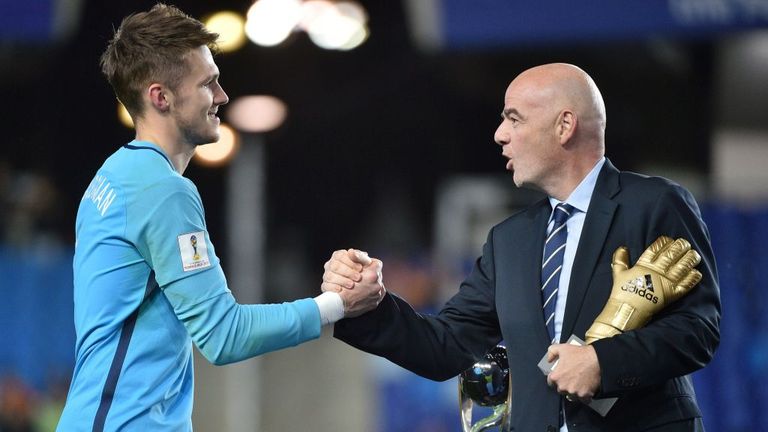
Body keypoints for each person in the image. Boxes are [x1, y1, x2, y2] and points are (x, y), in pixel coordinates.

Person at [323, 63, 721, 431]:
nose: (499, 133)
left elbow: (697, 329)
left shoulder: (653, 204)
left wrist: (604, 363)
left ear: (564, 125)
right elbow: (445, 344)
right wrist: (368, 305)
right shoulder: (508, 240)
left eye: (514, 118)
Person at [56, 4, 383, 431]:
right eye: (208, 84)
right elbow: (223, 335)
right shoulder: (163, 192)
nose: (222, 96)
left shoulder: (114, 176)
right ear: (161, 97)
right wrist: (337, 305)